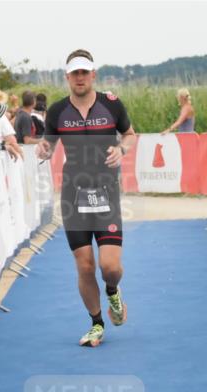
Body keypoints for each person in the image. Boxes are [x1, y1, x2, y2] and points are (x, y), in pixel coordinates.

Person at [36, 49, 135, 348]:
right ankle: (96, 323)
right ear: (67, 77)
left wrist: (123, 149)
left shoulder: (112, 105)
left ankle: (113, 292)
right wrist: (43, 149)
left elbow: (129, 134)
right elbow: (48, 145)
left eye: (84, 72)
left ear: (93, 74)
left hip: (106, 193)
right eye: (74, 73)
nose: (79, 78)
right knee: (84, 265)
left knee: (110, 267)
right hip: (73, 195)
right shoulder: (56, 111)